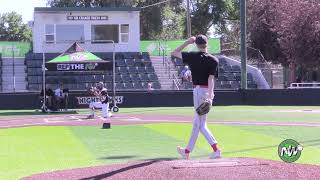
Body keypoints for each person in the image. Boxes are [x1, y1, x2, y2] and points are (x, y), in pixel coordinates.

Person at [171, 34, 221, 159]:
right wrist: (210, 95)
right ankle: (187, 152)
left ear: (197, 45)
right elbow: (211, 79)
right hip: (207, 92)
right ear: (207, 44)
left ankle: (216, 150)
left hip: (198, 92)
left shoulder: (192, 56)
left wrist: (187, 42)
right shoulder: (214, 60)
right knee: (197, 123)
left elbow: (174, 52)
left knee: (201, 124)